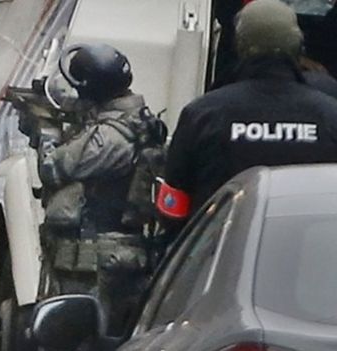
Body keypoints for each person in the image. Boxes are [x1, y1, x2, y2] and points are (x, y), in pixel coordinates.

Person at [20, 43, 166, 335]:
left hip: (97, 260)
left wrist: (45, 131)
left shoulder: (112, 136)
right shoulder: (131, 124)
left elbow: (53, 169)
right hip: (105, 257)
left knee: (75, 337)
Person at [158, 0, 337, 228]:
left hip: (219, 257)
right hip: (305, 256)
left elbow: (172, 210)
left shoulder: (202, 114)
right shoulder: (330, 116)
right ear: (298, 46)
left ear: (239, 45)